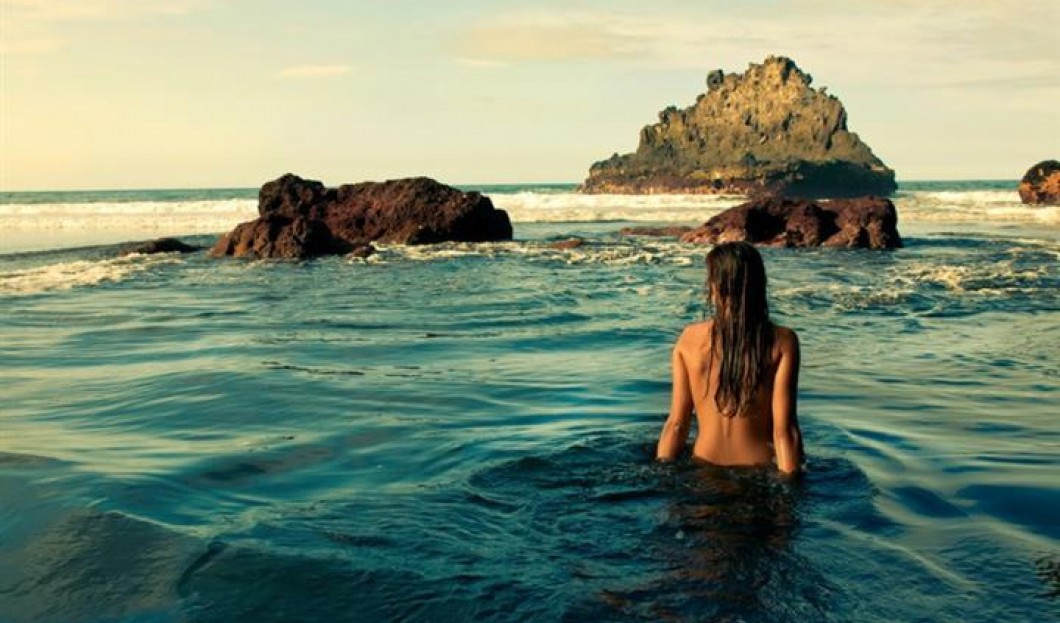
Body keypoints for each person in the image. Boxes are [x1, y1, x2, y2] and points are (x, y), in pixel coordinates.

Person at [656, 241, 804, 474]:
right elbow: (784, 431)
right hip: (757, 472)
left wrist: (662, 474)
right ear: (758, 285)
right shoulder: (783, 341)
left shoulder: (688, 339)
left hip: (703, 470)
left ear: (715, 286)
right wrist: (791, 489)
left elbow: (676, 424)